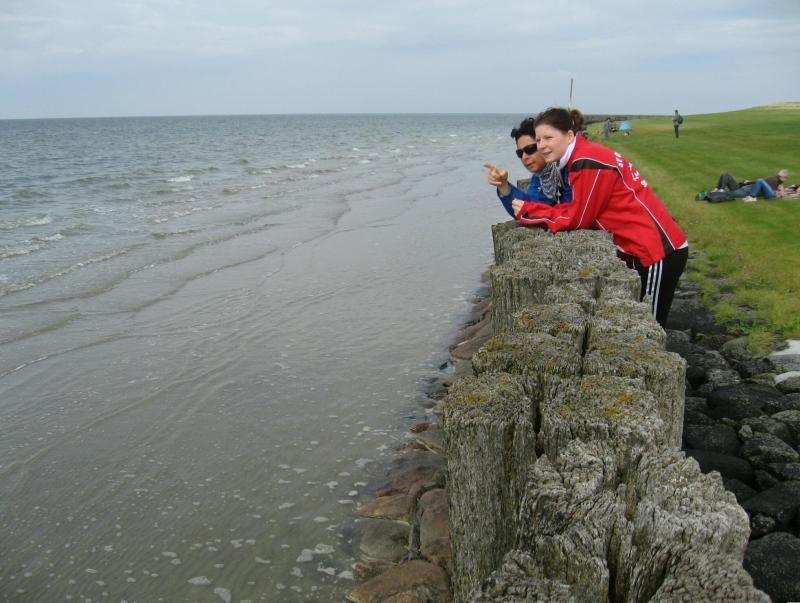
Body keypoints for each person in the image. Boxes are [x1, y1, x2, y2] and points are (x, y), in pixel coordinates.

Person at [509, 107, 688, 327]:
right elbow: (576, 209)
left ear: (569, 135)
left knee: (649, 327)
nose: (542, 145)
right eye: (538, 140)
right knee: (641, 323)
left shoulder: (586, 161)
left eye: (548, 137)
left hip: (659, 252)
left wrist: (530, 212)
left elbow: (578, 217)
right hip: (649, 249)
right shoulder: (583, 156)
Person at [484, 117, 573, 218]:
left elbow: (571, 213)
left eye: (530, 149)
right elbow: (526, 208)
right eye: (520, 153)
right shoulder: (539, 176)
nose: (524, 157)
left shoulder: (569, 169)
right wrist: (503, 186)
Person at [705, 169, 789, 202]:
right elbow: (768, 193)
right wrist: (780, 191)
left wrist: (748, 182)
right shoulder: (774, 181)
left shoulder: (773, 178)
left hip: (744, 188)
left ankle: (719, 189)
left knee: (726, 175)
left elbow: (759, 182)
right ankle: (718, 191)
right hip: (745, 191)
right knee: (728, 194)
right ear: (783, 177)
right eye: (786, 178)